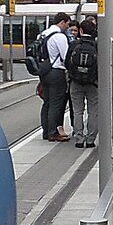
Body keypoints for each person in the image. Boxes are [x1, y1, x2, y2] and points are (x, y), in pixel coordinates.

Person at [30, 12, 72, 142]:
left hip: (44, 71)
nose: (68, 27)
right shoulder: (59, 36)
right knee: (56, 103)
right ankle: (53, 132)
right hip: (56, 72)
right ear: (62, 22)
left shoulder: (43, 34)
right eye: (67, 24)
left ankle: (46, 131)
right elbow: (65, 56)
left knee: (47, 102)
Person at [66, 15, 99, 148]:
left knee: (78, 110)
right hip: (93, 83)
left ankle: (79, 138)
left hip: (76, 82)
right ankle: (91, 139)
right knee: (93, 111)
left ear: (80, 31)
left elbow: (67, 62)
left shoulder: (74, 45)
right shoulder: (97, 45)